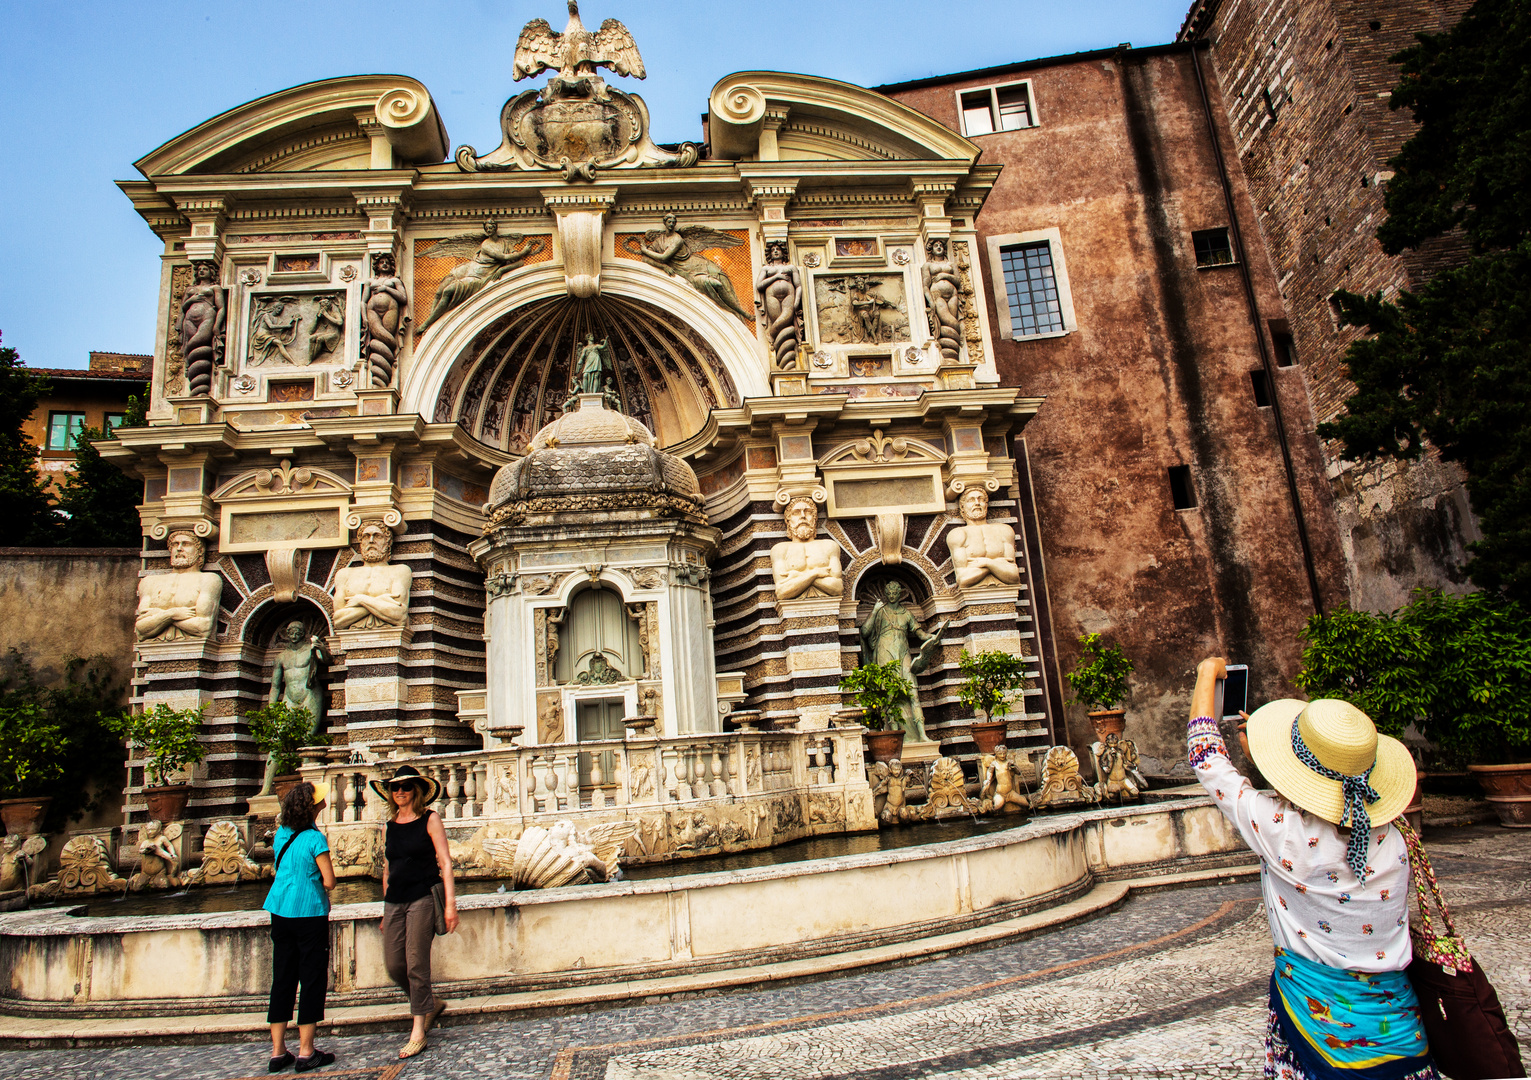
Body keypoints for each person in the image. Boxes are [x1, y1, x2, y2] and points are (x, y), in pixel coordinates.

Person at [1188, 657, 1436, 1080]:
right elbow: (1340, 815)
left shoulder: (1283, 833)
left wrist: (1207, 673)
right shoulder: (1396, 837)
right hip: (1399, 1026)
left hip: (1314, 1021)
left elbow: (1205, 756)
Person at [370, 764, 457, 1060]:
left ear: (416, 791)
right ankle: (429, 1003)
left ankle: (418, 1028)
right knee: (394, 965)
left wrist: (450, 905)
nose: (400, 792)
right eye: (395, 788)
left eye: (406, 787)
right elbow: (387, 867)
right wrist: (385, 909)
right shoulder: (390, 825)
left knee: (416, 964)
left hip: (422, 896)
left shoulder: (430, 820)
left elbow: (445, 862)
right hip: (395, 900)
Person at [263, 781, 337, 1074]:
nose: (324, 804)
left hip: (279, 909)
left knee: (281, 978)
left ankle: (278, 1051)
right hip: (309, 912)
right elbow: (329, 880)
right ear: (313, 807)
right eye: (320, 801)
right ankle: (307, 1051)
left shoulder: (281, 835)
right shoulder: (315, 840)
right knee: (311, 978)